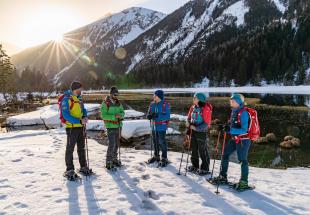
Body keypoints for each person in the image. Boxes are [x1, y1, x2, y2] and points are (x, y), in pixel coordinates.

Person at [213, 93, 252, 190]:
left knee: (242, 160)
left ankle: (244, 181)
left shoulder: (243, 113)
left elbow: (244, 130)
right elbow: (231, 124)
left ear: (238, 102)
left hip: (243, 140)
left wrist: (230, 130)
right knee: (225, 153)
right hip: (235, 139)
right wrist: (224, 126)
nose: (231, 102)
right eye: (230, 100)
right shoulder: (234, 111)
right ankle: (223, 176)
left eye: (233, 101)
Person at [60, 81, 91, 180]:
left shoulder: (79, 98)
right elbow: (66, 115)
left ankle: (83, 166)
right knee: (70, 149)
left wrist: (85, 116)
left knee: (81, 148)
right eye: (79, 89)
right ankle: (69, 169)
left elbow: (83, 110)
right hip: (71, 128)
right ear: (75, 89)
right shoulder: (66, 99)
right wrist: (79, 120)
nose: (81, 91)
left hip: (80, 127)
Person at [185, 92, 212, 175]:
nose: (193, 99)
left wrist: (196, 128)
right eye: (194, 98)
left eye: (195, 98)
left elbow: (207, 123)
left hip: (201, 132)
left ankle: (205, 168)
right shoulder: (193, 107)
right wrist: (188, 123)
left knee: (202, 149)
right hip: (193, 131)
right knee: (194, 148)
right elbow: (189, 117)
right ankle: (195, 165)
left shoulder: (205, 108)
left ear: (200, 100)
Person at [101, 86, 125, 170]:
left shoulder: (119, 103)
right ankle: (109, 161)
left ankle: (114, 159)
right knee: (112, 144)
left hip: (119, 126)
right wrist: (114, 116)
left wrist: (120, 115)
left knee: (117, 144)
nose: (116, 96)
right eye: (115, 94)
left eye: (117, 94)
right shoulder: (105, 103)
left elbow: (123, 113)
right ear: (110, 94)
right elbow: (103, 116)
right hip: (110, 126)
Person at [146, 90, 171, 167]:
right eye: (154, 96)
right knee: (155, 141)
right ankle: (156, 156)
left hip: (161, 127)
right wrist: (149, 116)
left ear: (159, 97)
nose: (154, 97)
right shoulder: (152, 104)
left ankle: (164, 158)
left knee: (162, 142)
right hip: (153, 126)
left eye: (155, 96)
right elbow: (149, 114)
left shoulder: (165, 105)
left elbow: (167, 116)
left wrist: (157, 116)